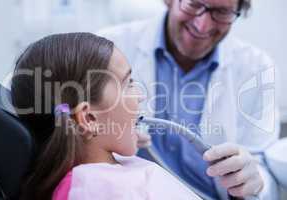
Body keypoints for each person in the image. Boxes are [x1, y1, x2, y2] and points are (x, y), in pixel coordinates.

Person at [98, 0, 280, 199]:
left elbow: (266, 170)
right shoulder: (109, 46)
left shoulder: (257, 68)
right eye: (193, 4)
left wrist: (253, 180)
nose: (203, 25)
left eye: (221, 12)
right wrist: (105, 133)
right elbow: (72, 133)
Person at [11, 32, 202, 200]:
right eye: (128, 83)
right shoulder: (99, 189)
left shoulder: (104, 178)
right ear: (89, 119)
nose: (141, 95)